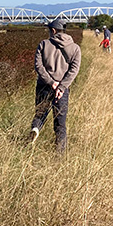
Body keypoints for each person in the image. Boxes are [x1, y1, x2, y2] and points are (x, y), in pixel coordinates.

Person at [30, 19, 82, 152]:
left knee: (40, 114)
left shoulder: (43, 44)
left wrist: (51, 82)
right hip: (62, 91)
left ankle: (35, 129)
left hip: (43, 86)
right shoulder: (75, 48)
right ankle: (59, 152)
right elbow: (74, 70)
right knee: (60, 123)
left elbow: (38, 66)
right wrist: (61, 87)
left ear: (53, 31)